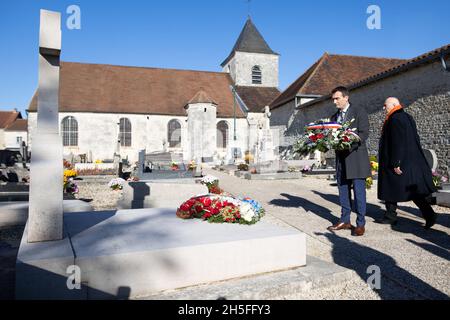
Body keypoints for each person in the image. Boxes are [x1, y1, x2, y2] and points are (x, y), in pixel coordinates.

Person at [376, 97, 437, 229]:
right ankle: (427, 214)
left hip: (398, 161)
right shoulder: (406, 116)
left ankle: (392, 216)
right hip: (409, 160)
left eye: (385, 105)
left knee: (397, 188)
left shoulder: (395, 119)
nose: (383, 108)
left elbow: (398, 142)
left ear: (393, 105)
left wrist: (396, 162)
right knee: (409, 190)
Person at [327, 87, 371, 236]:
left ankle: (360, 224)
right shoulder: (334, 117)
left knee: (359, 193)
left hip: (356, 158)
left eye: (337, 98)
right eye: (333, 99)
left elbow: (364, 133)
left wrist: (347, 143)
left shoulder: (359, 111)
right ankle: (345, 220)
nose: (334, 101)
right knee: (343, 191)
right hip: (341, 160)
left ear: (346, 97)